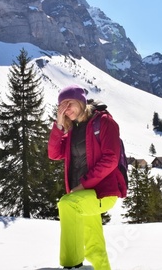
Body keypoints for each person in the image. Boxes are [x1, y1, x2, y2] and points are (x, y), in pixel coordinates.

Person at [48, 84, 127, 270]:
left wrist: (83, 185)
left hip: (101, 193)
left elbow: (111, 159)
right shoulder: (73, 130)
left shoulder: (105, 122)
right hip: (82, 196)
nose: (66, 110)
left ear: (81, 102)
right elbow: (53, 153)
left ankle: (72, 265)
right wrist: (59, 125)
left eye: (70, 104)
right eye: (62, 107)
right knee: (94, 246)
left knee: (67, 204)